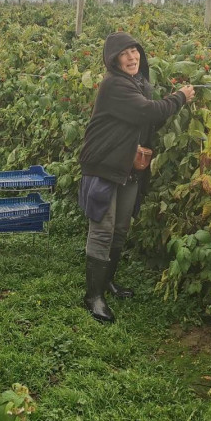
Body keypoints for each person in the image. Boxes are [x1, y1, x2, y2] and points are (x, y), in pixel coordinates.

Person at [77, 32, 195, 323]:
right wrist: (180, 97)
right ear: (113, 60)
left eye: (135, 52)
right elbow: (147, 112)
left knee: (120, 229)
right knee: (103, 230)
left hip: (128, 167)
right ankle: (93, 296)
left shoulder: (139, 84)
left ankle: (107, 283)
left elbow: (151, 115)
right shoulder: (115, 85)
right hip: (105, 165)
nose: (132, 57)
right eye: (124, 53)